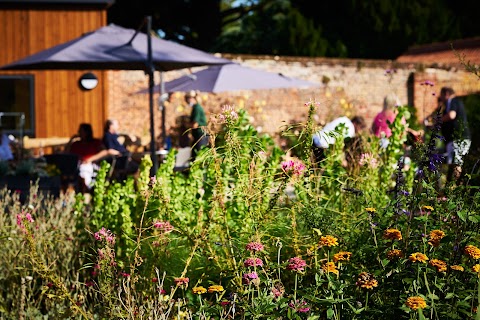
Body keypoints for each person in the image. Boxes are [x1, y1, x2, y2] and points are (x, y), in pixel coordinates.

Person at [65, 123, 120, 192]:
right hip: (77, 165)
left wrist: (90, 159)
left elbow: (104, 152)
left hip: (91, 165)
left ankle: (87, 187)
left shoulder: (95, 142)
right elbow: (66, 153)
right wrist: (71, 140)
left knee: (84, 169)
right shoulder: (76, 144)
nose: (79, 133)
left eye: (81, 131)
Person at [439, 86, 471, 183]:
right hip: (453, 139)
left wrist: (438, 121)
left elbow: (451, 115)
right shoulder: (448, 106)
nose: (441, 98)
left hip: (459, 138)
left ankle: (453, 188)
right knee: (452, 163)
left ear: (446, 94)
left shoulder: (454, 101)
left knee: (456, 164)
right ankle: (449, 189)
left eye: (441, 95)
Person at [185, 90, 209, 161]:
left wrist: (186, 125)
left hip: (201, 136)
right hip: (198, 136)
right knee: (195, 156)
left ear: (192, 98)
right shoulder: (195, 108)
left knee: (198, 157)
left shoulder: (197, 108)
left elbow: (195, 125)